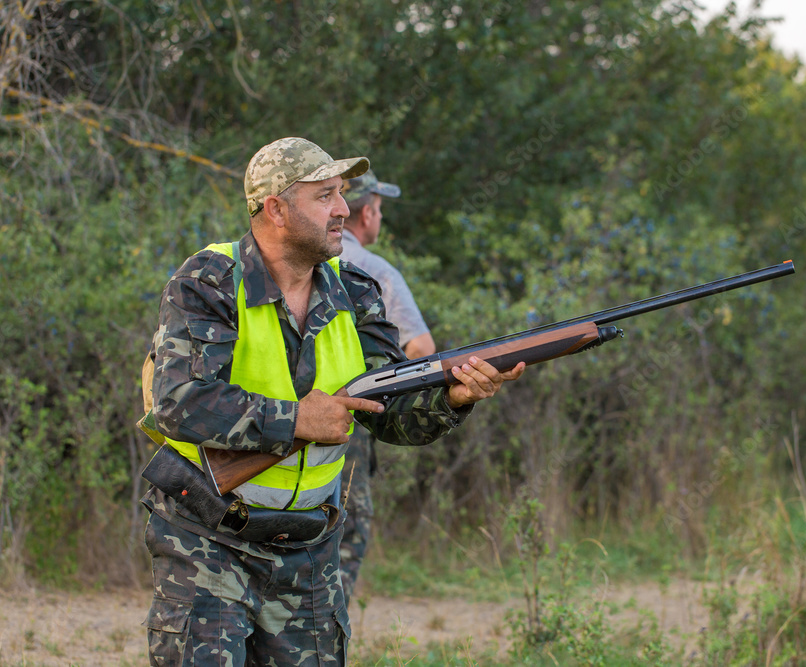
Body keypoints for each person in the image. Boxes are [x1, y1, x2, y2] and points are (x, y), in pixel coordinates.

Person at [141, 136, 525, 666]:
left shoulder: (358, 291)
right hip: (208, 542)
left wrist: (454, 398)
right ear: (275, 208)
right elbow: (179, 402)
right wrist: (297, 419)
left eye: (342, 194)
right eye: (325, 196)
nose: (345, 208)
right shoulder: (210, 282)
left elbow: (391, 414)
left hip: (309, 551)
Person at [337, 169, 435, 599]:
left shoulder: (282, 262)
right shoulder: (375, 269)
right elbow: (421, 350)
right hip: (349, 431)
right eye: (380, 209)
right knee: (345, 534)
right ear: (368, 211)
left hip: (279, 420)